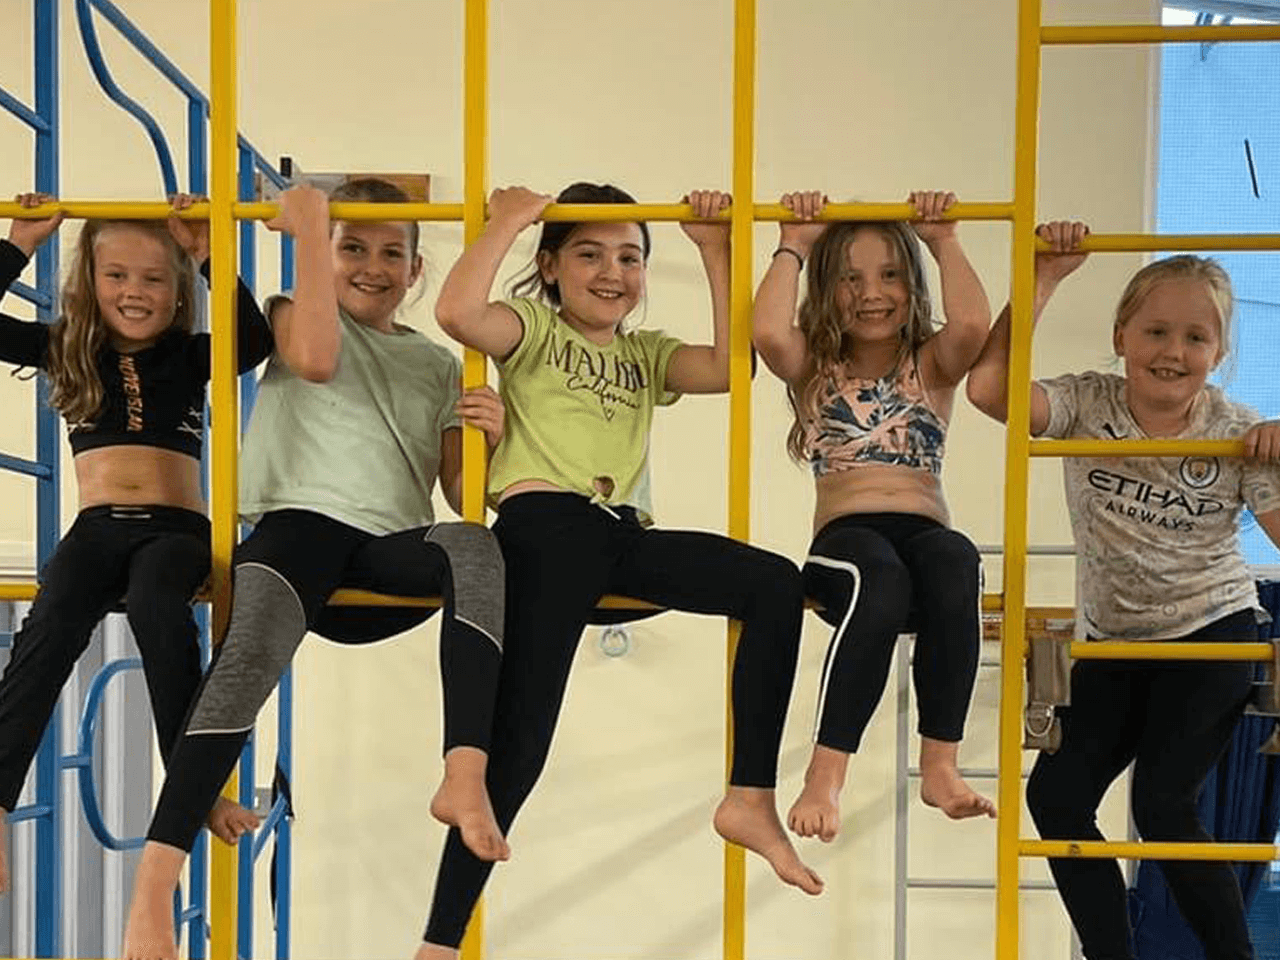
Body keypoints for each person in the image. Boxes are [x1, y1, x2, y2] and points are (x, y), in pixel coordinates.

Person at [419, 181, 822, 958]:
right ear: (551, 266)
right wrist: (508, 221)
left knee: (773, 583)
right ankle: (440, 941)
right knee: (523, 736)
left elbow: (729, 369)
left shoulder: (645, 354)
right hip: (547, 528)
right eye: (590, 254)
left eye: (631, 257)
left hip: (623, 536)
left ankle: (749, 795)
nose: (613, 272)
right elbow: (459, 313)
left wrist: (713, 251)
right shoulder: (534, 328)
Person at [122, 179, 509, 960]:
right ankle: (155, 887)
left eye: (391, 252)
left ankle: (463, 772)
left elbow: (463, 495)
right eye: (352, 248)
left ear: (417, 268)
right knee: (249, 652)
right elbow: (318, 361)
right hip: (297, 532)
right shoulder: (294, 311)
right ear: (325, 258)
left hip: (385, 549)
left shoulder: (438, 365)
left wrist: (488, 442)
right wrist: (305, 230)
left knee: (477, 546)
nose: (373, 266)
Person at [965, 220, 1280, 960]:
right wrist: (1042, 278)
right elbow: (986, 390)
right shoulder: (1086, 403)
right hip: (1114, 641)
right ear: (1123, 333)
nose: (1173, 352)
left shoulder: (1236, 431)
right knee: (1057, 796)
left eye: (1196, 338)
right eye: (1156, 330)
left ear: (1220, 353)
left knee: (1164, 804)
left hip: (1212, 631)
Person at [0, 192, 269, 893]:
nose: (134, 292)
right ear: (89, 280)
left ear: (177, 291)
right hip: (96, 530)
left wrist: (210, 256)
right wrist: (19, 243)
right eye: (115, 275)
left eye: (154, 278)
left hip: (176, 531)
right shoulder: (67, 347)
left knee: (158, 607)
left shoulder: (189, 355)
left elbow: (256, 343)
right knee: (50, 626)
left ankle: (194, 786)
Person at [751, 190, 997, 844]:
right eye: (850, 278)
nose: (871, 292)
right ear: (825, 291)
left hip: (924, 540)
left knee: (957, 559)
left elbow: (973, 326)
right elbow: (770, 331)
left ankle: (940, 762)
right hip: (847, 549)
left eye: (889, 274)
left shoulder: (930, 364)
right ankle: (826, 771)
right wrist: (793, 245)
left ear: (912, 286)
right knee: (879, 578)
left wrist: (944, 239)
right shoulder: (815, 365)